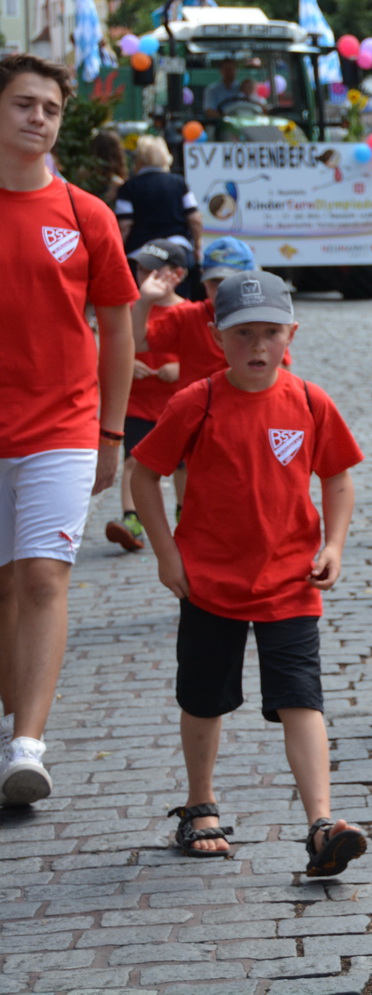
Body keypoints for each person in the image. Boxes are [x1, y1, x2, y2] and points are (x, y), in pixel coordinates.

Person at [130, 272, 368, 875]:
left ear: (292, 332)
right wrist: (166, 554)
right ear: (217, 338)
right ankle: (199, 806)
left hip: (291, 582)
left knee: (301, 698)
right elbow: (144, 474)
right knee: (205, 697)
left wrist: (334, 544)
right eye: (242, 335)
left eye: (269, 333)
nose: (257, 347)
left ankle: (320, 824)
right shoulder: (197, 401)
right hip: (208, 582)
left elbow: (337, 477)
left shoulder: (311, 401)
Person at [0, 54, 137, 806]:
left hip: (62, 425)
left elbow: (117, 330)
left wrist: (110, 432)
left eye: (50, 108)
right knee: (4, 588)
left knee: (43, 576)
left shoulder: (86, 214)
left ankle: (27, 743)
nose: (38, 118)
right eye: (24, 104)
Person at [106, 238, 193, 554]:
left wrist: (178, 366)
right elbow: (114, 346)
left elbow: (203, 355)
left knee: (183, 464)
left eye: (155, 270)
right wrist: (127, 364)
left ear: (178, 275)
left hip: (178, 402)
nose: (145, 276)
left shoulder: (189, 312)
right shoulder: (131, 309)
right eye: (142, 269)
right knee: (133, 461)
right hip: (138, 401)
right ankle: (132, 519)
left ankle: (186, 514)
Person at [131, 236, 264, 391]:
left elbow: (279, 377)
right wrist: (144, 301)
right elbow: (137, 343)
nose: (222, 289)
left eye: (231, 281)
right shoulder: (187, 315)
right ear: (203, 278)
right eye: (215, 281)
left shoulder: (264, 319)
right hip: (200, 411)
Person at [115, 136, 202, 251]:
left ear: (139, 159)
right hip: (176, 247)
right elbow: (195, 219)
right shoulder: (179, 183)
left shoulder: (129, 187)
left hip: (141, 249)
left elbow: (124, 226)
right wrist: (197, 247)